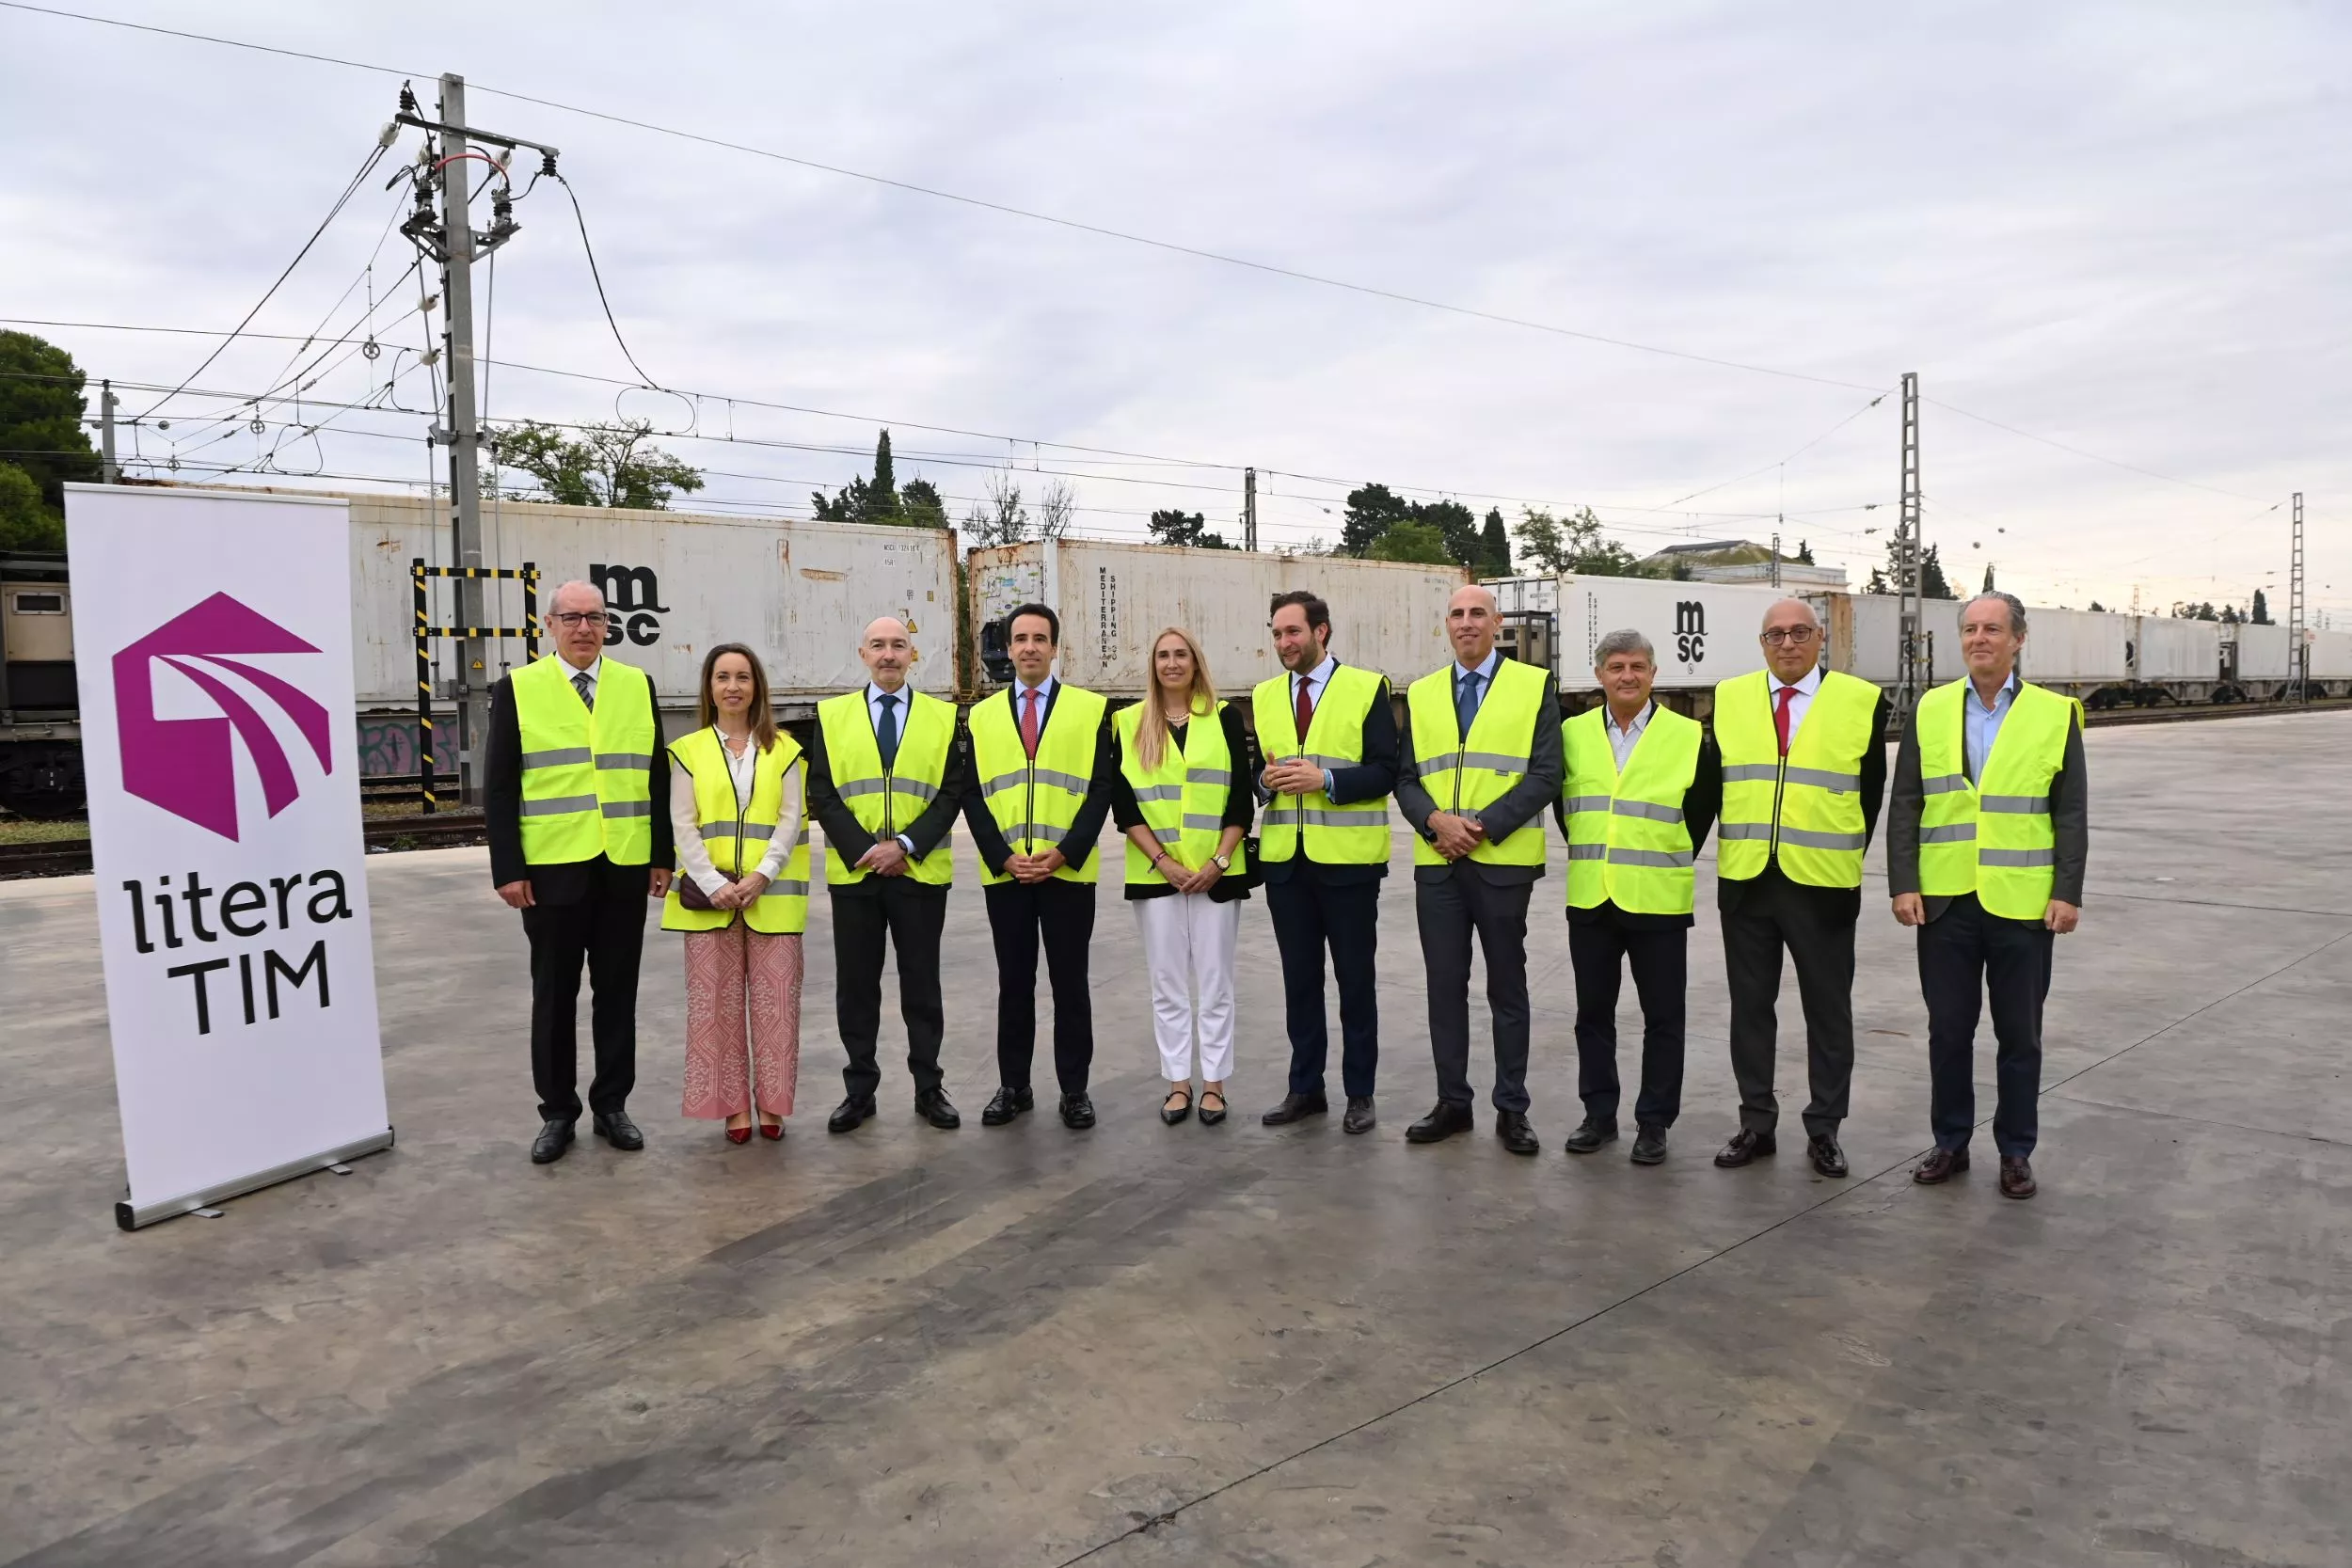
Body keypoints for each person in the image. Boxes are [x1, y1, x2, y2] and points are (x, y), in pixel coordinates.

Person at [1889, 591, 2088, 1200]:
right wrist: (1903, 881)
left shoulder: (2056, 715)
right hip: (1945, 901)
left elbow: (2071, 810)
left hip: (2023, 905)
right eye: (1971, 628)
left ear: (2018, 639)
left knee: (2019, 1035)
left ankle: (2015, 1150)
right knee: (1948, 1030)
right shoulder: (1931, 708)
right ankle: (1950, 1140)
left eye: (1993, 629)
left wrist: (2066, 891)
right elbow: (1906, 803)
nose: (1980, 638)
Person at [485, 580, 671, 1164]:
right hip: (550, 871)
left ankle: (612, 1104)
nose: (584, 627)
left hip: (623, 868)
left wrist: (660, 855)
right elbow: (498, 787)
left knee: (617, 994)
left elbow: (655, 778)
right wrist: (508, 869)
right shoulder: (517, 689)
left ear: (608, 624)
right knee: (555, 995)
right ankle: (557, 1113)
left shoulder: (637, 685)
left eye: (595, 617)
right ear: (550, 624)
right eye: (572, 617)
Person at [1708, 596, 1889, 1179]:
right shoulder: (1730, 698)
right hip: (1747, 882)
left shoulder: (1862, 702)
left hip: (1823, 887)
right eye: (1775, 635)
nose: (1787, 644)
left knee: (1828, 1012)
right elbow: (1714, 786)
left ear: (1819, 640)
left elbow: (1870, 797)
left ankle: (1824, 1128)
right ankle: (1756, 1122)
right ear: (1762, 643)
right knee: (1751, 1011)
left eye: (1799, 633)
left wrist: (1835, 856)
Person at [1395, 583, 1563, 1154]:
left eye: (1478, 614)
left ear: (1498, 625)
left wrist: (1480, 828)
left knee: (1507, 988)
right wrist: (1436, 822)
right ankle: (1452, 1102)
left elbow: (1545, 775)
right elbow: (1406, 777)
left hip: (1500, 864)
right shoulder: (1421, 693)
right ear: (1447, 626)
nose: (1466, 623)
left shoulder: (1533, 685)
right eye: (1457, 615)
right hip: (1438, 865)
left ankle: (1512, 1107)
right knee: (1445, 987)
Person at [1554, 630, 1720, 1164]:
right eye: (1617, 667)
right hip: (1592, 896)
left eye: (1639, 667)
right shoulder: (1572, 733)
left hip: (1659, 899)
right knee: (1593, 1014)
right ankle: (1598, 1115)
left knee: (1663, 1017)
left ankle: (1654, 1122)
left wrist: (1664, 854)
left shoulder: (1688, 734)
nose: (1628, 676)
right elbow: (1565, 809)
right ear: (1599, 674)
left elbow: (1699, 811)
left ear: (1654, 673)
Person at [805, 616, 971, 1132]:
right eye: (878, 645)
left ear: (912, 654)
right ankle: (860, 1090)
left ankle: (928, 1088)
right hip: (856, 877)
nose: (888, 655)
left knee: (922, 987)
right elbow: (823, 794)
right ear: (863, 653)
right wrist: (866, 850)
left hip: (918, 873)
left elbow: (951, 793)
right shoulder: (831, 716)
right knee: (856, 988)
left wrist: (903, 845)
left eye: (898, 645)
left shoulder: (942, 718)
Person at [961, 603, 1117, 1131]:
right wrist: (1001, 857)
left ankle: (1075, 1090)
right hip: (1006, 874)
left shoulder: (1091, 710)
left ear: (1055, 647)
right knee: (1014, 982)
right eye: (1019, 638)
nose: (1029, 647)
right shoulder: (980, 717)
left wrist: (1065, 853)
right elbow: (973, 795)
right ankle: (1014, 1086)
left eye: (1039, 638)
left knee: (1071, 982)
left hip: (1067, 873)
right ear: (1008, 648)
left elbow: (1101, 789)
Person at [1253, 590, 1398, 1133]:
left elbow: (1387, 769)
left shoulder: (1365, 689)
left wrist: (1328, 781)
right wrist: (1264, 783)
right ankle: (1304, 1088)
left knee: (1355, 981)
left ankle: (1360, 1092)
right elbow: (1257, 771)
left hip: (1348, 864)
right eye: (1276, 634)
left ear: (1322, 632)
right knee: (1300, 982)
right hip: (1286, 864)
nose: (1284, 643)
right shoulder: (1266, 695)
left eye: (1293, 632)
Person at [662, 643, 809, 1145]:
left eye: (742, 677)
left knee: (777, 1007)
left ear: (756, 687)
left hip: (772, 896)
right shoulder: (687, 751)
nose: (732, 686)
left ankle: (772, 1104)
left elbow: (792, 821)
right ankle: (731, 1108)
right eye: (722, 677)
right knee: (715, 1008)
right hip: (709, 901)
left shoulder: (786, 750)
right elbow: (683, 825)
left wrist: (762, 875)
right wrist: (714, 884)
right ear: (709, 687)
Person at [1112, 627, 1257, 1125]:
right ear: (1152, 666)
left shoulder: (1224, 718)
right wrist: (1166, 863)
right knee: (1167, 985)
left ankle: (1213, 1084)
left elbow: (1241, 796)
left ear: (1196, 663)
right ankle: (1178, 1083)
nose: (1171, 663)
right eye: (1162, 656)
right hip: (1159, 877)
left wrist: (1218, 861)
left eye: (1181, 655)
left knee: (1216, 984)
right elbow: (1124, 804)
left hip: (1217, 874)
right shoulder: (1127, 722)